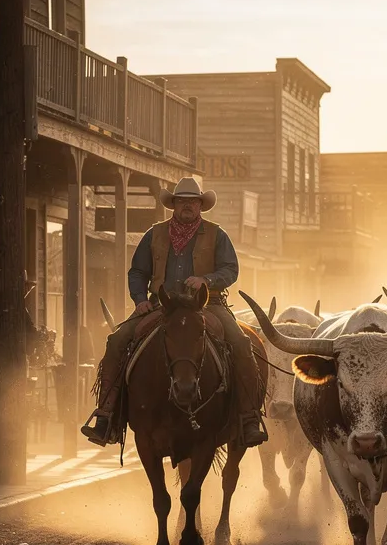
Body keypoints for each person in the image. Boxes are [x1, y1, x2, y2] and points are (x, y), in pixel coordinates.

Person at [80, 177, 267, 448]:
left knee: (241, 343)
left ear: (201, 205)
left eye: (193, 201)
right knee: (117, 341)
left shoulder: (217, 234)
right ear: (174, 205)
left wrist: (207, 280)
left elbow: (231, 270)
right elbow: (138, 272)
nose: (187, 206)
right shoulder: (154, 234)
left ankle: (249, 417)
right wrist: (140, 299)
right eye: (182, 201)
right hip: (160, 305)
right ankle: (106, 416)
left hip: (207, 303)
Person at [0, 270, 44, 373]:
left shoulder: (18, 308)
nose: (26, 291)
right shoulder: (1, 308)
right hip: (6, 364)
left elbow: (28, 332)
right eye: (23, 287)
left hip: (14, 362)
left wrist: (36, 336)